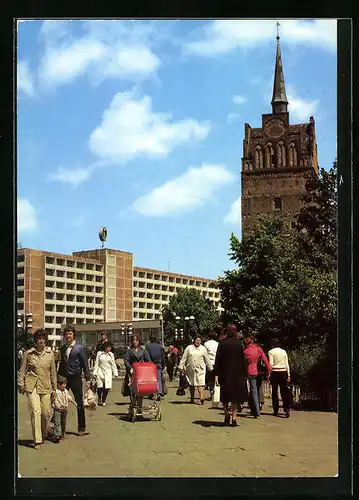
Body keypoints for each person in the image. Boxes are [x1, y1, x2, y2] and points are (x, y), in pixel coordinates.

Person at [18, 328, 57, 449]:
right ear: (36, 340)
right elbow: (22, 370)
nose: (41, 341)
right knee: (36, 411)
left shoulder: (50, 355)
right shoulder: (28, 354)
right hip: (31, 385)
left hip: (45, 386)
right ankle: (37, 440)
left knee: (45, 413)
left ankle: (44, 432)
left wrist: (55, 388)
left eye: (43, 339)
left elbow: (53, 373)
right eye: (39, 339)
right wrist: (21, 384)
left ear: (46, 341)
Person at [58, 324, 91, 436]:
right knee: (60, 402)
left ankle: (81, 427)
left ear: (74, 335)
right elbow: (61, 365)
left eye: (70, 334)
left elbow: (85, 364)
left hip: (76, 378)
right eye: (66, 334)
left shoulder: (79, 348)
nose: (68, 336)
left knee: (79, 403)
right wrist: (58, 380)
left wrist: (88, 379)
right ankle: (59, 428)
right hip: (64, 379)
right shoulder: (62, 349)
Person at [213, 324, 248, 427]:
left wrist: (216, 373)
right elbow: (243, 360)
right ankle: (234, 417)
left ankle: (226, 414)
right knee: (235, 397)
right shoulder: (239, 344)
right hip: (237, 374)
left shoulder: (222, 343)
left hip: (225, 373)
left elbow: (218, 359)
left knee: (225, 396)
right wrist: (245, 373)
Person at [178, 336, 213, 405]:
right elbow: (184, 358)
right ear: (194, 341)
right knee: (192, 384)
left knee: (200, 384)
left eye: (199, 340)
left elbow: (207, 359)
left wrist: (211, 368)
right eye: (197, 340)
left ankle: (201, 398)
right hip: (190, 369)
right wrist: (181, 367)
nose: (198, 342)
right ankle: (192, 398)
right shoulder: (189, 348)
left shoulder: (203, 349)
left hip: (200, 369)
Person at [243, 334, 271, 418]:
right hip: (259, 372)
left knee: (253, 391)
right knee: (258, 389)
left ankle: (256, 411)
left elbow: (243, 363)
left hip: (250, 372)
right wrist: (268, 371)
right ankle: (256, 408)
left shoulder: (245, 351)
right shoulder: (258, 349)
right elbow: (265, 360)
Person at [124, 333, 151, 414]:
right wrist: (130, 368)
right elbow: (126, 360)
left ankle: (140, 406)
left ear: (139, 341)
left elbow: (148, 360)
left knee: (140, 390)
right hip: (132, 372)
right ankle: (133, 404)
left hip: (141, 372)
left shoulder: (143, 350)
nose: (135, 342)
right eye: (133, 340)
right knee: (132, 390)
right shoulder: (128, 350)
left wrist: (148, 367)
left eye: (136, 340)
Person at [268, 338, 291, 418]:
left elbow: (270, 364)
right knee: (284, 391)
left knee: (274, 391)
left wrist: (269, 373)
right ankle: (286, 408)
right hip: (283, 371)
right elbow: (287, 363)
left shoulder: (271, 352)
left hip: (275, 371)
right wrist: (288, 375)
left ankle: (276, 409)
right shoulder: (283, 351)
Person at [51, 375, 77, 443]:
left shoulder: (65, 391)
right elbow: (53, 399)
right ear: (58, 384)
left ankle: (62, 433)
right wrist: (55, 405)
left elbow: (69, 397)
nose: (64, 386)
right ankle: (57, 435)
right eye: (63, 384)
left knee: (63, 422)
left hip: (64, 409)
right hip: (57, 409)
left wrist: (73, 402)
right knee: (57, 422)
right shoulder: (55, 392)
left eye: (65, 384)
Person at [93, 341, 118, 406]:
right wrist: (95, 372)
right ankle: (99, 398)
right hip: (100, 371)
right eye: (108, 347)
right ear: (105, 347)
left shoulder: (111, 354)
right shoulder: (99, 353)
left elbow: (113, 364)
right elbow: (97, 362)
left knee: (107, 388)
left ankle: (104, 400)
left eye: (110, 347)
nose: (109, 348)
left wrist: (115, 373)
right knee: (100, 387)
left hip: (108, 372)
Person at [146, 335, 166, 400]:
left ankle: (151, 393)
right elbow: (163, 357)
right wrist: (163, 365)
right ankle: (159, 393)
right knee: (158, 379)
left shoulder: (148, 346)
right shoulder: (160, 347)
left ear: (150, 340)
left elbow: (147, 356)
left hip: (150, 365)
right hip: (158, 364)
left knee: (151, 380)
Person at [204, 332, 219, 398]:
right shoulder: (217, 344)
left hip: (209, 362)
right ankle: (216, 390)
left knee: (210, 378)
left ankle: (211, 391)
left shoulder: (206, 344)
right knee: (216, 377)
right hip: (216, 362)